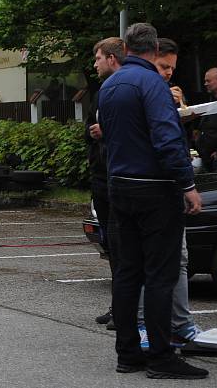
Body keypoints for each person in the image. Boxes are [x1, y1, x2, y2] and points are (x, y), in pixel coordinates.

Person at [99, 23, 207, 379]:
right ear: (154, 48)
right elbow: (166, 137)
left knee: (128, 273)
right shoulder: (153, 85)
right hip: (154, 187)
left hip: (120, 186)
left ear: (127, 48)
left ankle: (127, 353)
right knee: (160, 275)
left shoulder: (110, 85)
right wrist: (186, 183)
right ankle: (162, 357)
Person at [135, 37, 201, 347]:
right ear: (151, 59)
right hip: (155, 188)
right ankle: (150, 326)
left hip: (165, 185)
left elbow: (178, 141)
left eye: (172, 70)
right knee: (155, 260)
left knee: (178, 259)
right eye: (163, 67)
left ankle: (178, 323)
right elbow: (160, 142)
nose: (167, 74)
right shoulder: (145, 92)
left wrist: (182, 112)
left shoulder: (160, 94)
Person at [86, 37, 124, 327]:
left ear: (112, 58)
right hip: (102, 174)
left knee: (124, 244)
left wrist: (107, 131)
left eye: (98, 58)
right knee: (112, 244)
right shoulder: (101, 91)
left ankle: (126, 309)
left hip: (120, 175)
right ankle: (118, 305)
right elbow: (88, 130)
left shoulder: (125, 89)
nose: (95, 63)